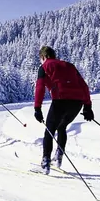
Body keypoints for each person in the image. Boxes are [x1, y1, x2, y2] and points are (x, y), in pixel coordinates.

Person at [34, 46, 94, 174]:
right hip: (77, 103)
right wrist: (88, 106)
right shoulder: (69, 66)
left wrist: (37, 108)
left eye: (41, 59)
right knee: (61, 127)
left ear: (43, 57)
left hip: (60, 101)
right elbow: (83, 85)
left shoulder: (44, 67)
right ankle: (59, 156)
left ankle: (45, 163)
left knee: (49, 130)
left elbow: (40, 87)